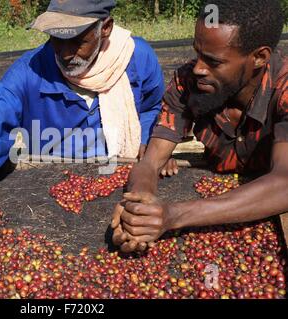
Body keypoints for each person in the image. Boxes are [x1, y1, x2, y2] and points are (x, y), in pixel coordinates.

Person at [0, 0, 166, 233]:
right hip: (50, 195)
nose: (65, 54)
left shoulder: (136, 58)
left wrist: (146, 138)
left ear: (105, 28)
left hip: (121, 183)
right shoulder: (30, 72)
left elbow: (152, 106)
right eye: (57, 40)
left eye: (77, 42)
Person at [111, 0, 288, 253]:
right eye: (197, 54)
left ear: (259, 57)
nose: (199, 68)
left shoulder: (283, 91)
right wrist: (140, 208)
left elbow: (284, 183)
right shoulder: (188, 83)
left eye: (213, 62)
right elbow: (150, 162)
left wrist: (173, 215)